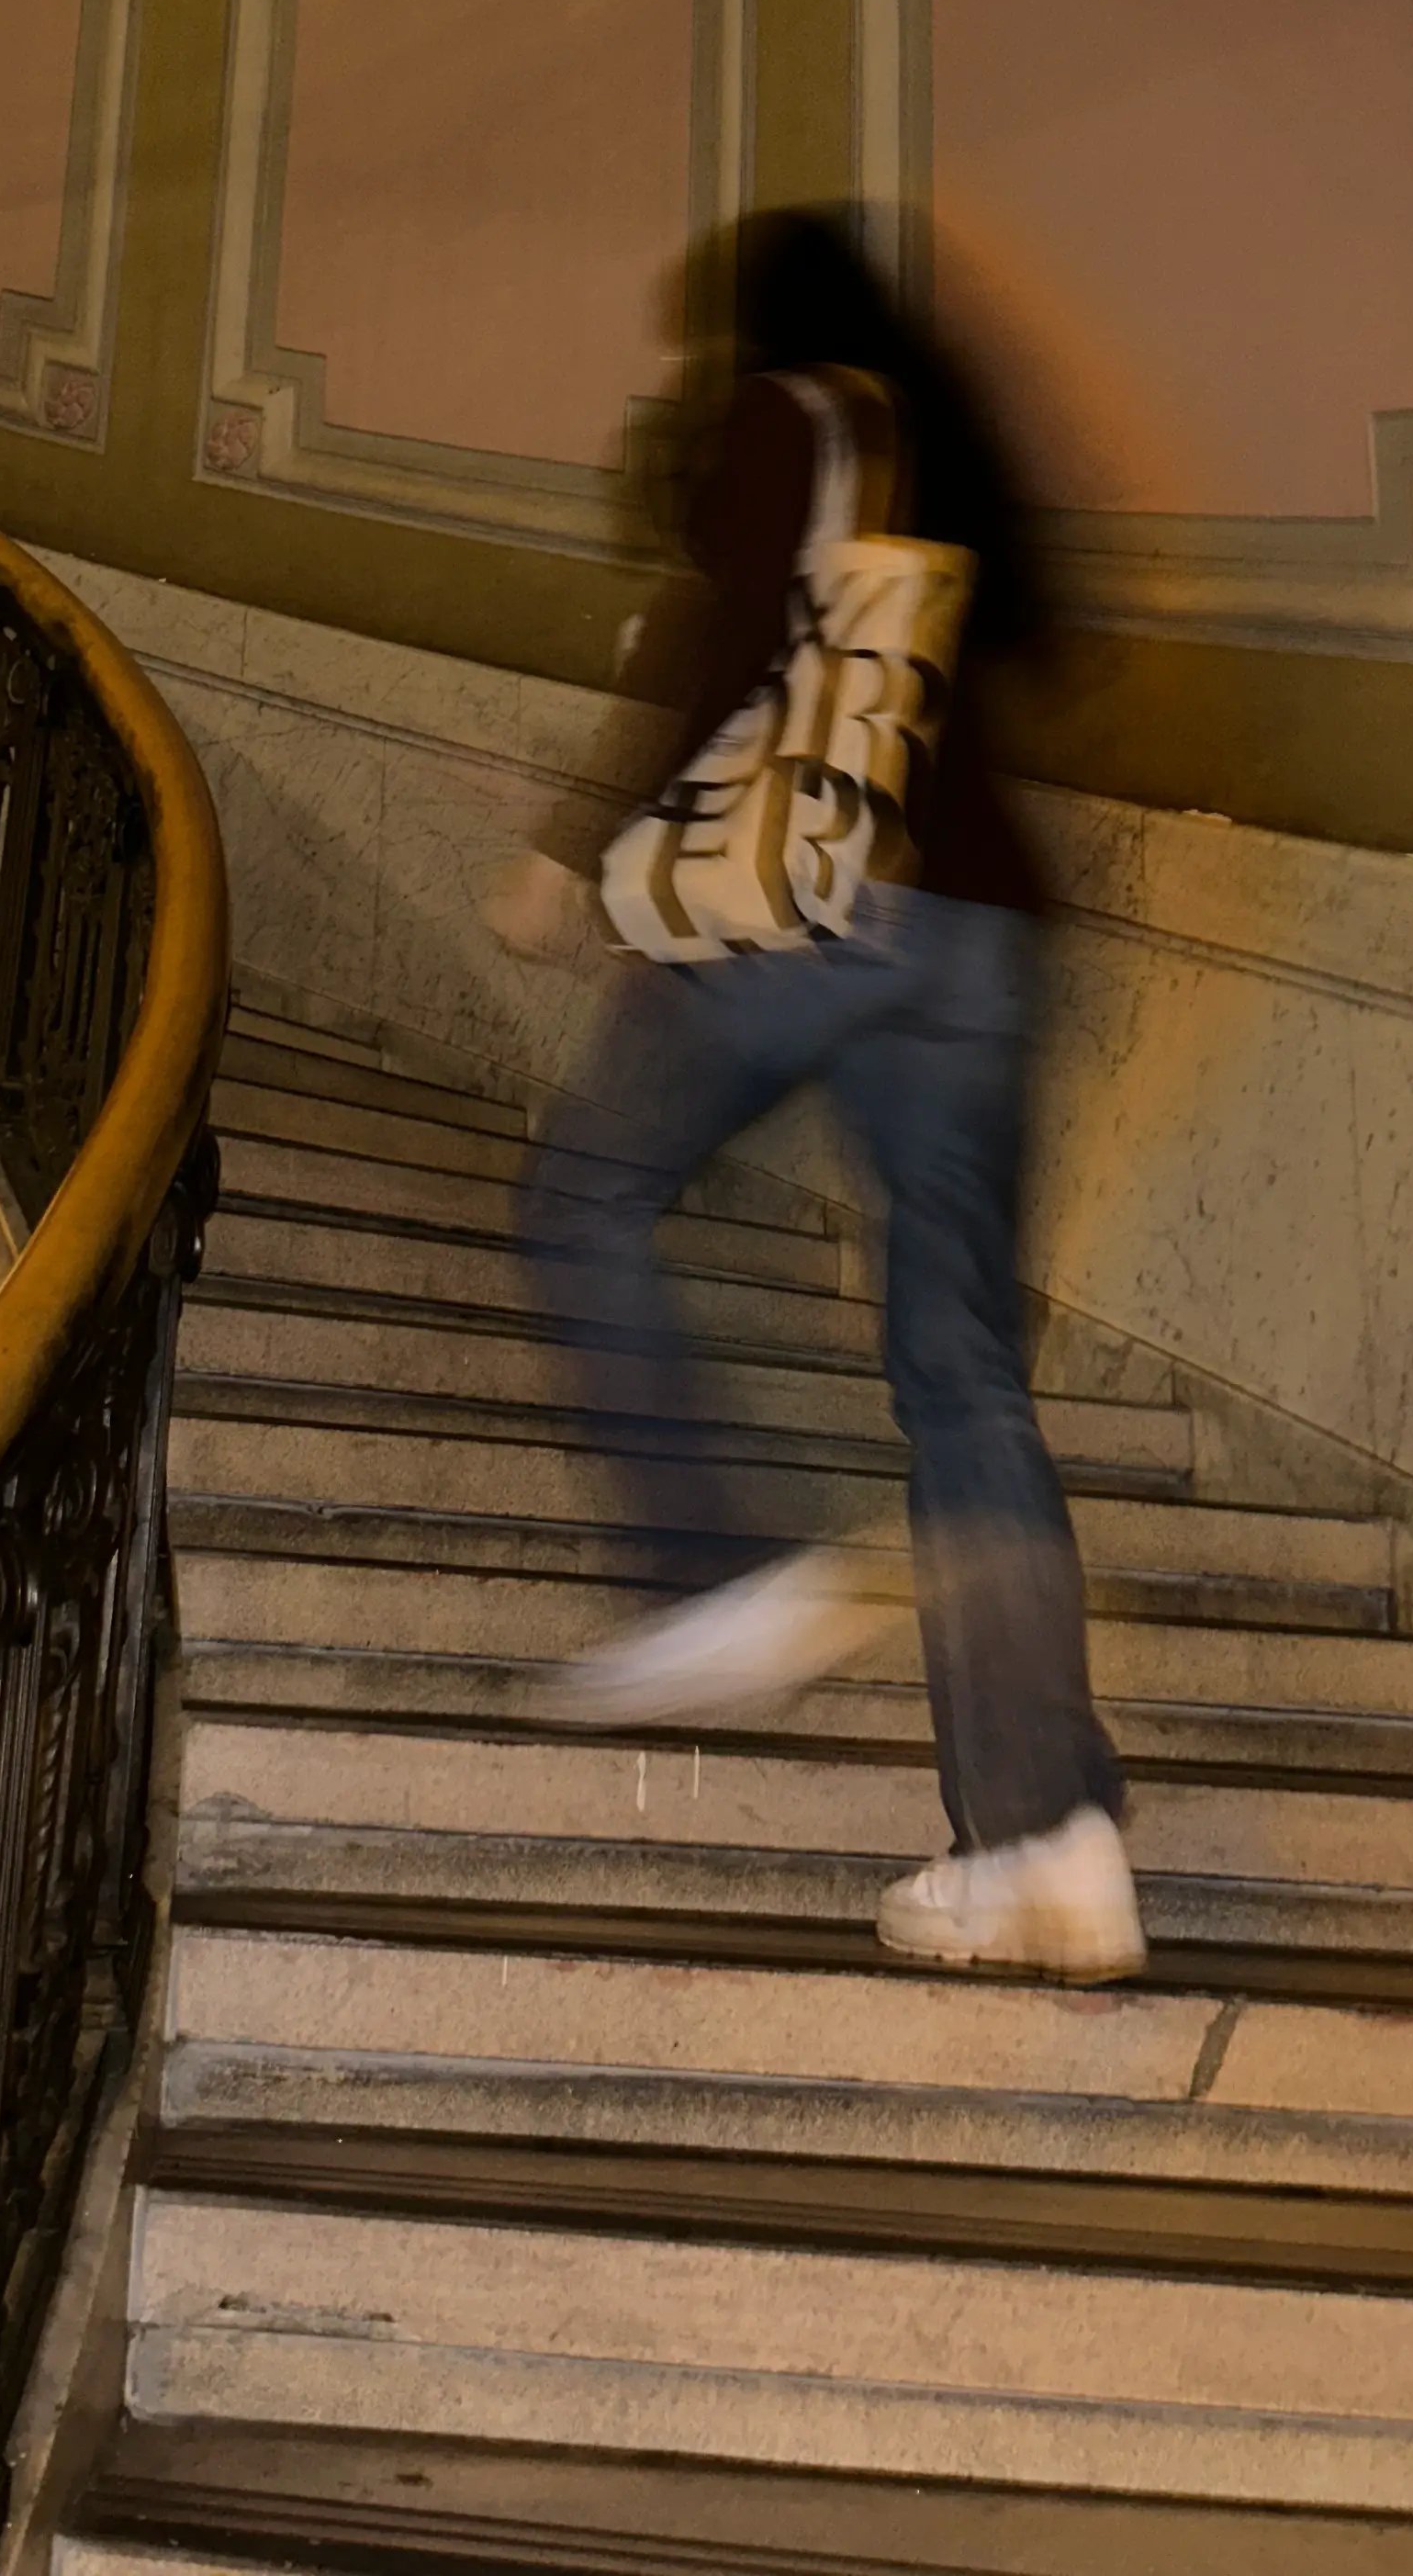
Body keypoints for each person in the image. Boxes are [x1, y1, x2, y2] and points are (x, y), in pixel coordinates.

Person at [494, 210, 1143, 1985]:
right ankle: (1046, 1844)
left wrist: (575, 849)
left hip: (824, 912)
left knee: (584, 1202)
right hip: (986, 932)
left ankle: (720, 1572)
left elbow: (727, 644)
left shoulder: (795, 414)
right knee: (964, 1382)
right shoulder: (947, 447)